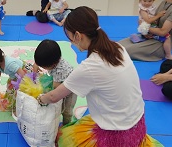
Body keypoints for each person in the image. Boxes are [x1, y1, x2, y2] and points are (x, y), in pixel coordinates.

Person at [36, 6, 163, 146]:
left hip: (116, 137)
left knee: (63, 138)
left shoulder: (89, 67)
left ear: (78, 35)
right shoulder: (117, 47)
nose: (71, 41)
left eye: (70, 37)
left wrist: (40, 99)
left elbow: (53, 97)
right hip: (138, 127)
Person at [33, 39, 77, 125]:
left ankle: (66, 124)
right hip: (61, 82)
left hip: (71, 91)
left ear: (53, 65)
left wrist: (45, 95)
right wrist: (36, 65)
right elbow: (38, 61)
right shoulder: (53, 59)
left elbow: (56, 89)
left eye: (44, 67)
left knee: (67, 110)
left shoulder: (60, 71)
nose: (43, 68)